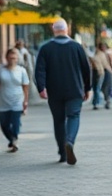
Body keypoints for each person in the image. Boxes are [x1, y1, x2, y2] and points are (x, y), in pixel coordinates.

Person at [34, 18, 91, 164]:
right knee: (73, 116)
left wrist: (41, 88)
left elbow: (40, 69)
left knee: (59, 121)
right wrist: (87, 88)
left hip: (55, 91)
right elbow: (86, 69)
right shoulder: (77, 47)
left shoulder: (45, 48)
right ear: (67, 30)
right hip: (75, 90)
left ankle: (62, 153)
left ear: (54, 30)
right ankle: (70, 142)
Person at [0, 48, 29, 151]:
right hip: (3, 102)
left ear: (17, 58)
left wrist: (25, 100)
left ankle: (14, 140)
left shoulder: (22, 71)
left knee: (15, 123)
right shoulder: (0, 71)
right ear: (6, 58)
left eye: (14, 57)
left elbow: (25, 86)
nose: (12, 59)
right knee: (4, 125)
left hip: (17, 102)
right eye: (10, 57)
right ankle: (12, 139)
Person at [90, 41, 112, 110]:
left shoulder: (106, 54)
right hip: (99, 71)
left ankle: (106, 101)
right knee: (99, 88)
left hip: (106, 71)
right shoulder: (98, 54)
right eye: (103, 47)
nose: (104, 48)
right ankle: (98, 102)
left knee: (105, 87)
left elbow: (109, 63)